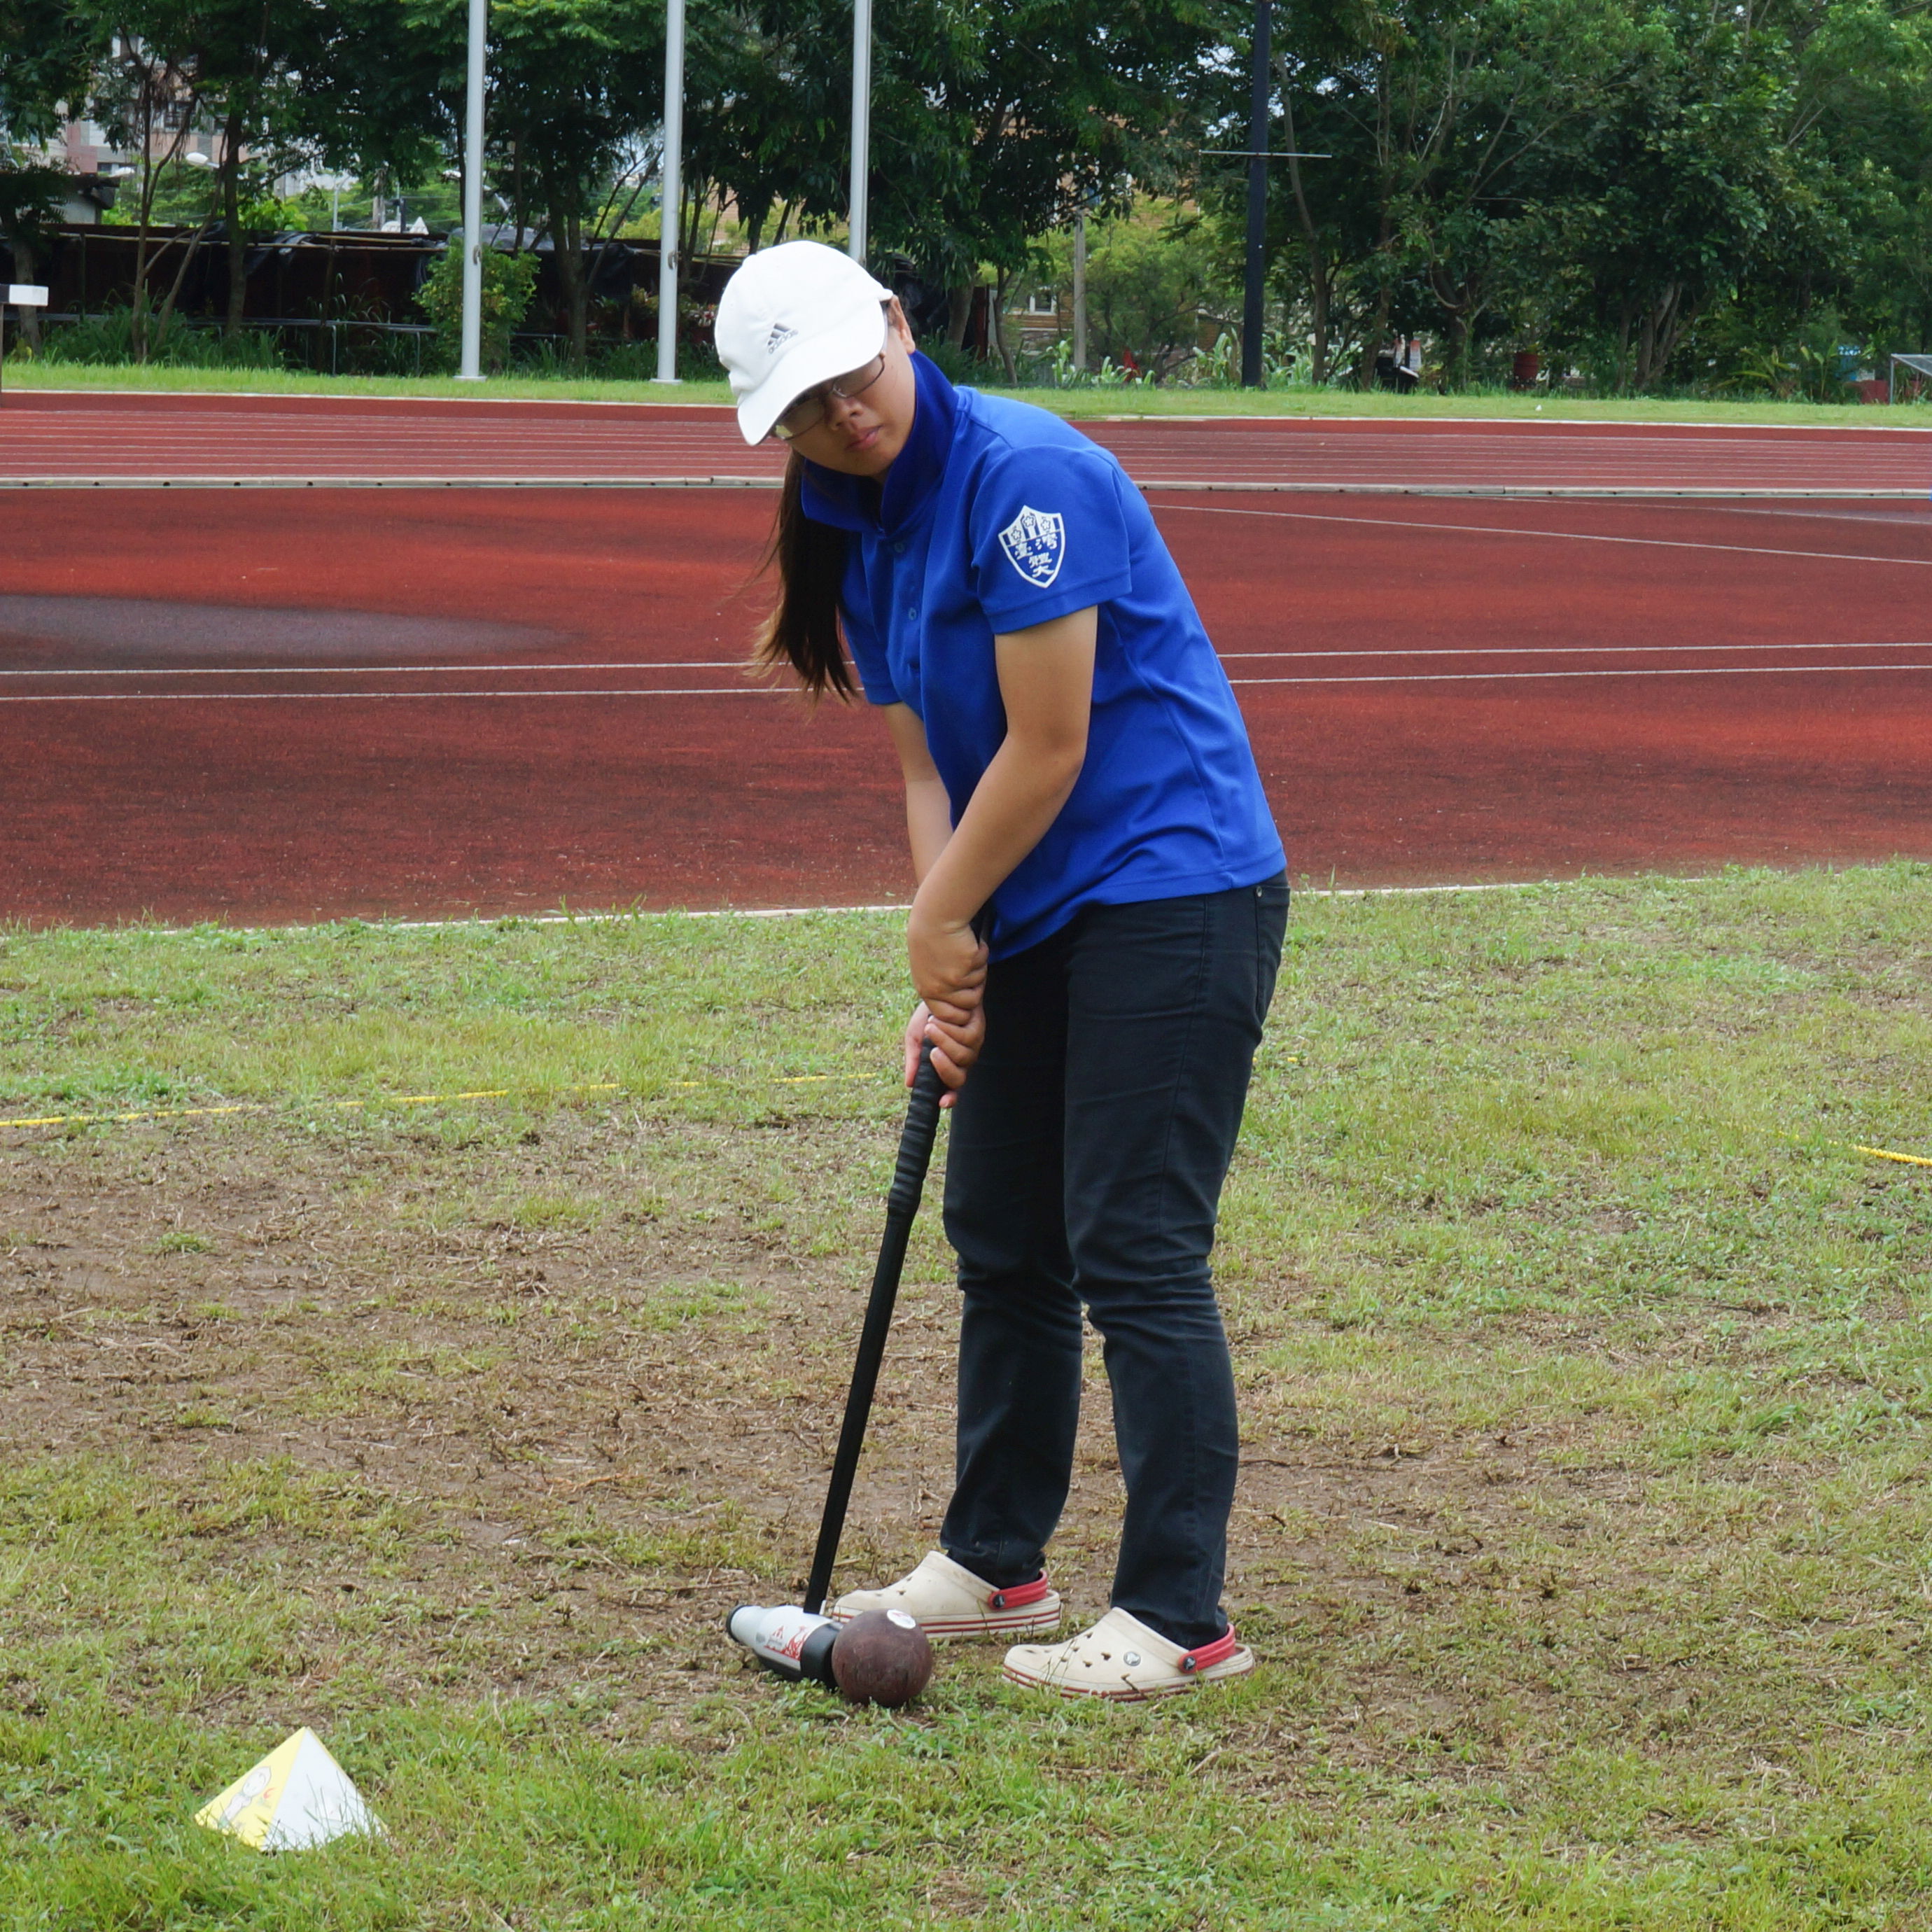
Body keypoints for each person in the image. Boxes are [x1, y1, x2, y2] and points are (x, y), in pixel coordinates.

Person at [714, 241, 1289, 1701]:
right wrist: (949, 942)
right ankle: (997, 1560)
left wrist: (938, 922)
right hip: (1028, 900)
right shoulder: (853, 527)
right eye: (810, 410)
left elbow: (1049, 746)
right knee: (1001, 1230)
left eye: (855, 381)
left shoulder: (1033, 476)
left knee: (1131, 1242)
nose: (848, 418)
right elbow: (933, 768)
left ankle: (1177, 1615)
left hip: (1175, 882)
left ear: (900, 330)